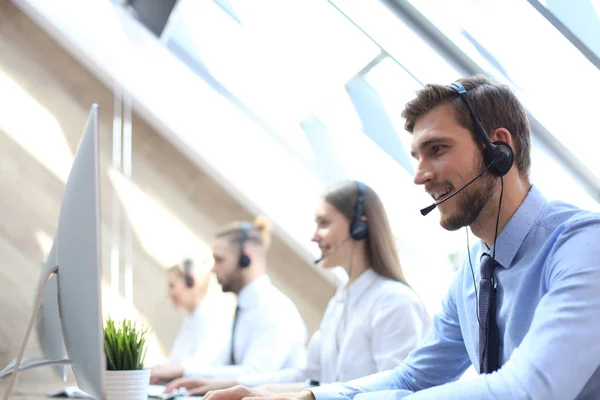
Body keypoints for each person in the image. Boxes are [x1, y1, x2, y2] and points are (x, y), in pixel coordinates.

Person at [200, 75, 600, 400]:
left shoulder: (582, 245)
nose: (420, 175)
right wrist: (310, 399)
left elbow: (529, 390)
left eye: (437, 149)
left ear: (500, 147)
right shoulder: (471, 277)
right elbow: (413, 378)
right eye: (417, 158)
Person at [165, 181, 431, 396]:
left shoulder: (395, 303)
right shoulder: (340, 302)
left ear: (359, 227)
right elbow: (309, 377)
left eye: (324, 223)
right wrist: (236, 388)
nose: (314, 236)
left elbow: (396, 392)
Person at [151, 216, 308, 385]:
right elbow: (222, 366)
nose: (213, 269)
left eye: (219, 260)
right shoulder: (244, 307)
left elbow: (255, 375)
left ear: (245, 259)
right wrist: (182, 373)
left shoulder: (276, 309)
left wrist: (184, 371)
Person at [150, 259, 233, 384]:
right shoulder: (191, 319)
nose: (169, 293)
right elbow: (174, 362)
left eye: (172, 286)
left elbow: (202, 368)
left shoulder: (215, 319)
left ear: (191, 282)